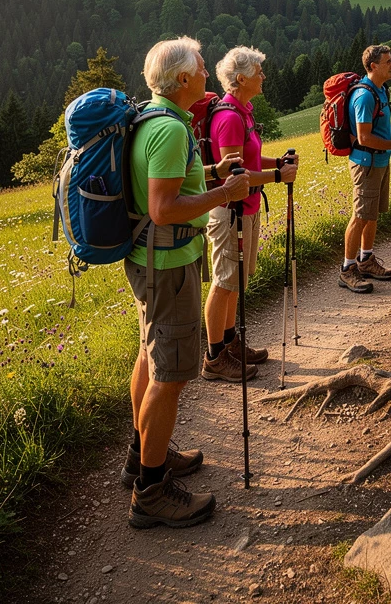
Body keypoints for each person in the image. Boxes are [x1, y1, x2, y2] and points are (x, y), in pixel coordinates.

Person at [123, 36, 250, 528]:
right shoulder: (172, 131)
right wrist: (224, 190)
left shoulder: (151, 118)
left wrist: (212, 173)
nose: (205, 72)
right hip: (169, 264)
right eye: (200, 66)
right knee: (170, 374)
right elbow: (163, 208)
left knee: (148, 355)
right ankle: (150, 491)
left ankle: (143, 453)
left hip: (148, 259)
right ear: (182, 80)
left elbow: (167, 188)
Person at [201, 46, 299, 383]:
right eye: (259, 71)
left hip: (248, 209)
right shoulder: (229, 118)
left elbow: (250, 160)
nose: (264, 76)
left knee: (236, 281)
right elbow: (235, 176)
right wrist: (276, 176)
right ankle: (214, 357)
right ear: (241, 78)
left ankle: (229, 344)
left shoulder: (244, 111)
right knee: (224, 282)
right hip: (231, 211)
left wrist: (277, 164)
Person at [341, 44, 391, 293]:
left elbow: (382, 128)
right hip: (365, 164)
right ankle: (347, 269)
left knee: (372, 213)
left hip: (379, 161)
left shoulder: (381, 91)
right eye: (388, 61)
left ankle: (366, 260)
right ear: (373, 66)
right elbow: (364, 137)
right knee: (360, 215)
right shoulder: (365, 96)